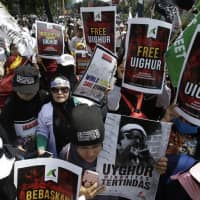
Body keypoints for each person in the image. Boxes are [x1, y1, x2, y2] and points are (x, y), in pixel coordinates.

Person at [60, 104, 168, 200]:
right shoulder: (66, 153)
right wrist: (76, 192)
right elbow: (59, 188)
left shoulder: (115, 149)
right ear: (74, 144)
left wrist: (156, 167)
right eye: (83, 148)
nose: (91, 153)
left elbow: (143, 171)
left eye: (96, 146)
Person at [0, 63, 49, 158]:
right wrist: (15, 143)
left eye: (30, 91)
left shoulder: (43, 98)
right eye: (22, 91)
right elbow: (6, 128)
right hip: (21, 150)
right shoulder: (10, 105)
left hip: (43, 145)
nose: (26, 94)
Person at [36, 74, 80, 158]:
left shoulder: (78, 105)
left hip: (77, 157)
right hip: (55, 159)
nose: (60, 93)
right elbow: (42, 132)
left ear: (69, 90)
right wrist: (41, 150)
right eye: (55, 90)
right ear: (51, 91)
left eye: (64, 89)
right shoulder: (45, 109)